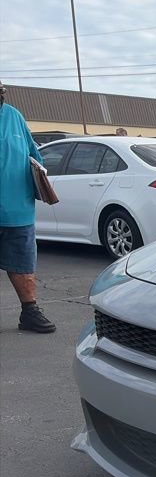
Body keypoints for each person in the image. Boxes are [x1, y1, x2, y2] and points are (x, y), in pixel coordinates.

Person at [0, 81, 55, 333]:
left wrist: (39, 174)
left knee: (23, 264)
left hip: (17, 208)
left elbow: (34, 154)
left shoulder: (14, 115)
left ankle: (29, 311)